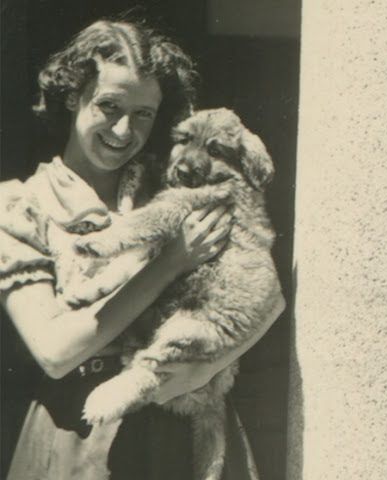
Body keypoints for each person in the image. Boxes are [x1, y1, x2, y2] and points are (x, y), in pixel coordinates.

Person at [0, 19, 285, 480]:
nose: (122, 129)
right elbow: (54, 352)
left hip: (185, 416)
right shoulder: (22, 205)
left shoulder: (176, 181)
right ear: (72, 96)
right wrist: (170, 263)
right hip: (83, 435)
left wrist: (200, 371)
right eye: (109, 105)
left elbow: (269, 297)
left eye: (143, 114)